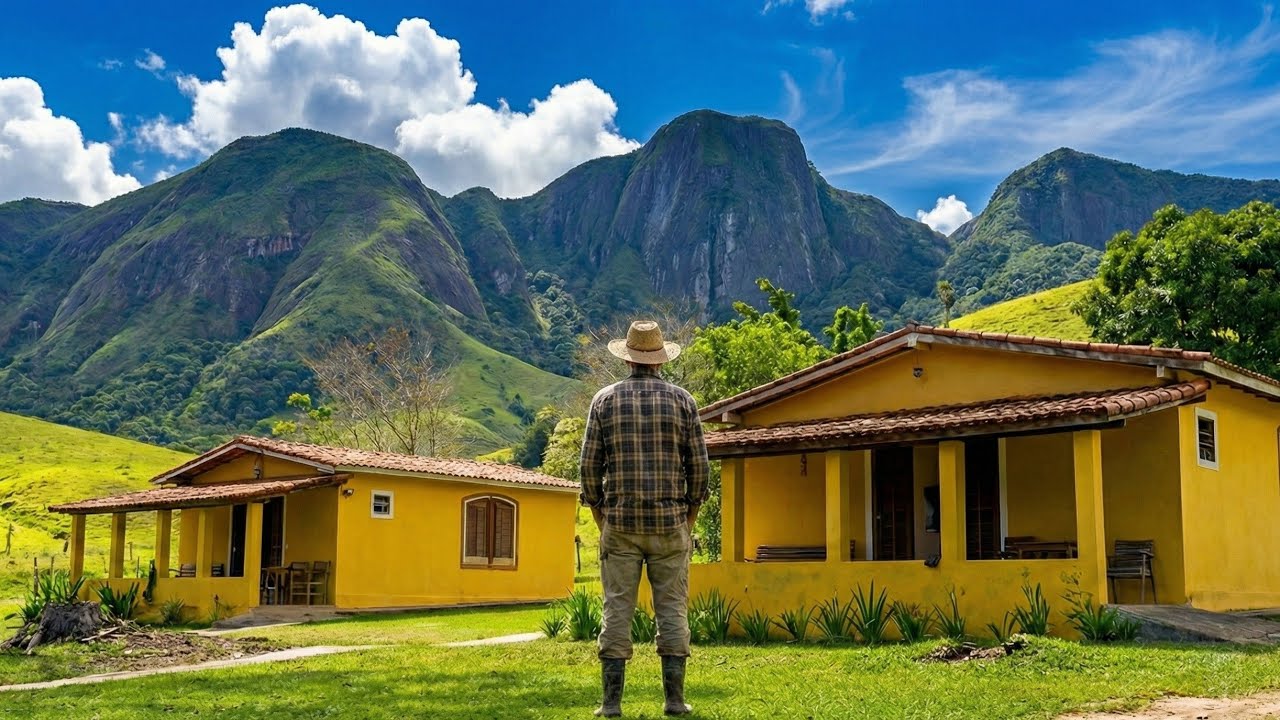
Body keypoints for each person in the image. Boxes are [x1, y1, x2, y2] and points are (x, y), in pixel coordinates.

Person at [580, 320, 710, 717]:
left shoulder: (604, 400)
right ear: (659, 360)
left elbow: (589, 467)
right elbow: (699, 468)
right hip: (670, 523)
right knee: (672, 608)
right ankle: (673, 700)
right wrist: (689, 517)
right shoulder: (683, 401)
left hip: (620, 523)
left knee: (617, 607)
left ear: (628, 359)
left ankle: (610, 704)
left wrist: (602, 518)